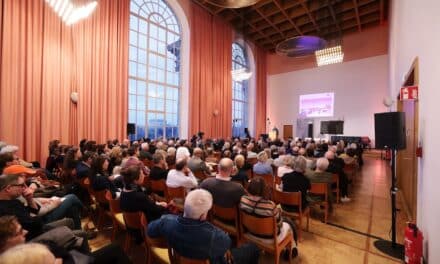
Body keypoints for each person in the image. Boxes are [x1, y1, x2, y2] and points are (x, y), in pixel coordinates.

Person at [147, 189, 260, 264]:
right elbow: (226, 245)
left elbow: (150, 230)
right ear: (203, 215)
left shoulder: (166, 221)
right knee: (253, 248)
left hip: (178, 258)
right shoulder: (216, 236)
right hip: (213, 258)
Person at [239, 177, 298, 259]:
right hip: (270, 239)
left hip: (250, 234)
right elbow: (279, 224)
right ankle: (291, 249)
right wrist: (279, 213)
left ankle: (292, 248)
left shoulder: (243, 200)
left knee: (286, 222)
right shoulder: (270, 205)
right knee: (289, 224)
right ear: (264, 190)